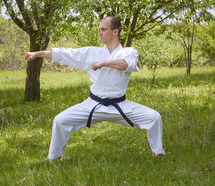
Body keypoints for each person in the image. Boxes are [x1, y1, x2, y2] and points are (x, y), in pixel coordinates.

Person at [24, 16, 165, 161]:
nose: (100, 33)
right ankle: (54, 157)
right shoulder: (92, 53)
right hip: (93, 104)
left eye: (104, 29)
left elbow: (125, 64)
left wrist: (103, 63)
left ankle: (158, 153)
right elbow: (65, 54)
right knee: (60, 120)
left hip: (120, 105)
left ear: (115, 32)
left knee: (154, 118)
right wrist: (37, 54)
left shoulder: (129, 52)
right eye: (99, 30)